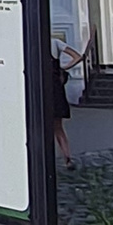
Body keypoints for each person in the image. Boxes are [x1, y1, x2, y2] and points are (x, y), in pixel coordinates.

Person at [45, 35, 83, 169]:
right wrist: (64, 67)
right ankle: (67, 158)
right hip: (56, 87)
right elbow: (77, 56)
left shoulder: (33, 42)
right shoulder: (55, 43)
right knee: (58, 127)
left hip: (41, 87)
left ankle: (44, 158)